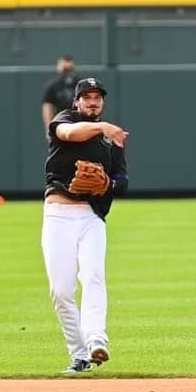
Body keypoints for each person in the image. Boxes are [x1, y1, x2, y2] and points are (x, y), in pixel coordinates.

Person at [42, 77, 130, 374]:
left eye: (98, 97)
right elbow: (68, 133)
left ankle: (96, 341)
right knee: (61, 291)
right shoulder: (65, 120)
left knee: (93, 276)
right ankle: (79, 355)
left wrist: (108, 183)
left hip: (91, 218)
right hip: (58, 216)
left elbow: (122, 181)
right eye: (87, 97)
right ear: (76, 101)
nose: (93, 102)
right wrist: (102, 127)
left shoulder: (111, 138)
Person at [42, 55, 80, 134]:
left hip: (79, 122)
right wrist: (48, 126)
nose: (66, 72)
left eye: (69, 69)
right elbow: (47, 107)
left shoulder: (80, 84)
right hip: (60, 122)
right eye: (64, 69)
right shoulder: (53, 85)